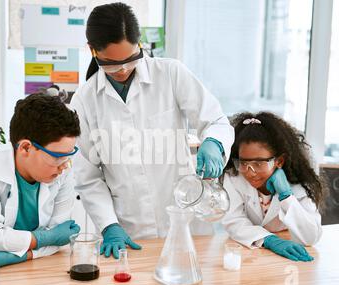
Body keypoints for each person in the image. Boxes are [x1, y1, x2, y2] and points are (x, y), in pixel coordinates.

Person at [70, 2, 234, 259]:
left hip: (188, 218)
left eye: (131, 58)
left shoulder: (170, 73)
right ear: (93, 51)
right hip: (130, 230)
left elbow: (216, 121)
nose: (123, 69)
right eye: (112, 63)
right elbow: (88, 176)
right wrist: (109, 225)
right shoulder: (85, 99)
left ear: (140, 44)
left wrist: (214, 142)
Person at [0, 94, 81, 268]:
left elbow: (60, 238)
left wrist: (20, 256)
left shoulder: (62, 170)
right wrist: (46, 238)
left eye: (68, 156)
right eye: (58, 157)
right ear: (26, 147)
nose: (65, 166)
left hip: (30, 265)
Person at [222, 112, 324, 262]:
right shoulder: (234, 177)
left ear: (279, 161)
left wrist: (286, 196)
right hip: (249, 254)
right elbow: (234, 221)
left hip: (284, 260)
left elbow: (311, 236)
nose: (250, 172)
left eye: (258, 163)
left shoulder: (298, 184)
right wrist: (269, 240)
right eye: (244, 163)